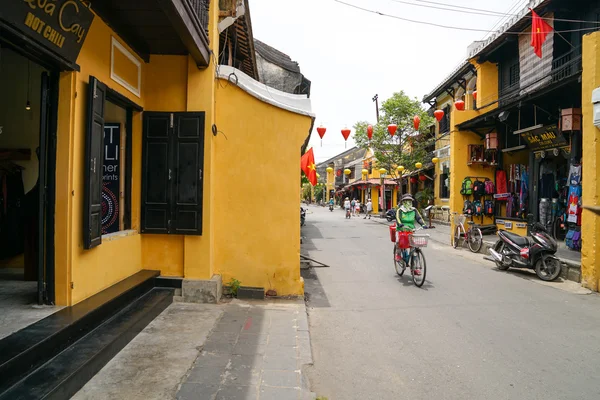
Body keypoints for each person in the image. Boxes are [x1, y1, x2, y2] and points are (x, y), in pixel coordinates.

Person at [395, 194, 427, 264]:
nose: (408, 203)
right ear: (403, 202)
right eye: (406, 201)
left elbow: (419, 218)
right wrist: (400, 224)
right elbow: (397, 218)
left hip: (411, 230)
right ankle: (398, 255)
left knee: (413, 246)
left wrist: (423, 224)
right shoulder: (400, 210)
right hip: (401, 229)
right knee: (398, 242)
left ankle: (415, 267)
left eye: (410, 201)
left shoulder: (414, 210)